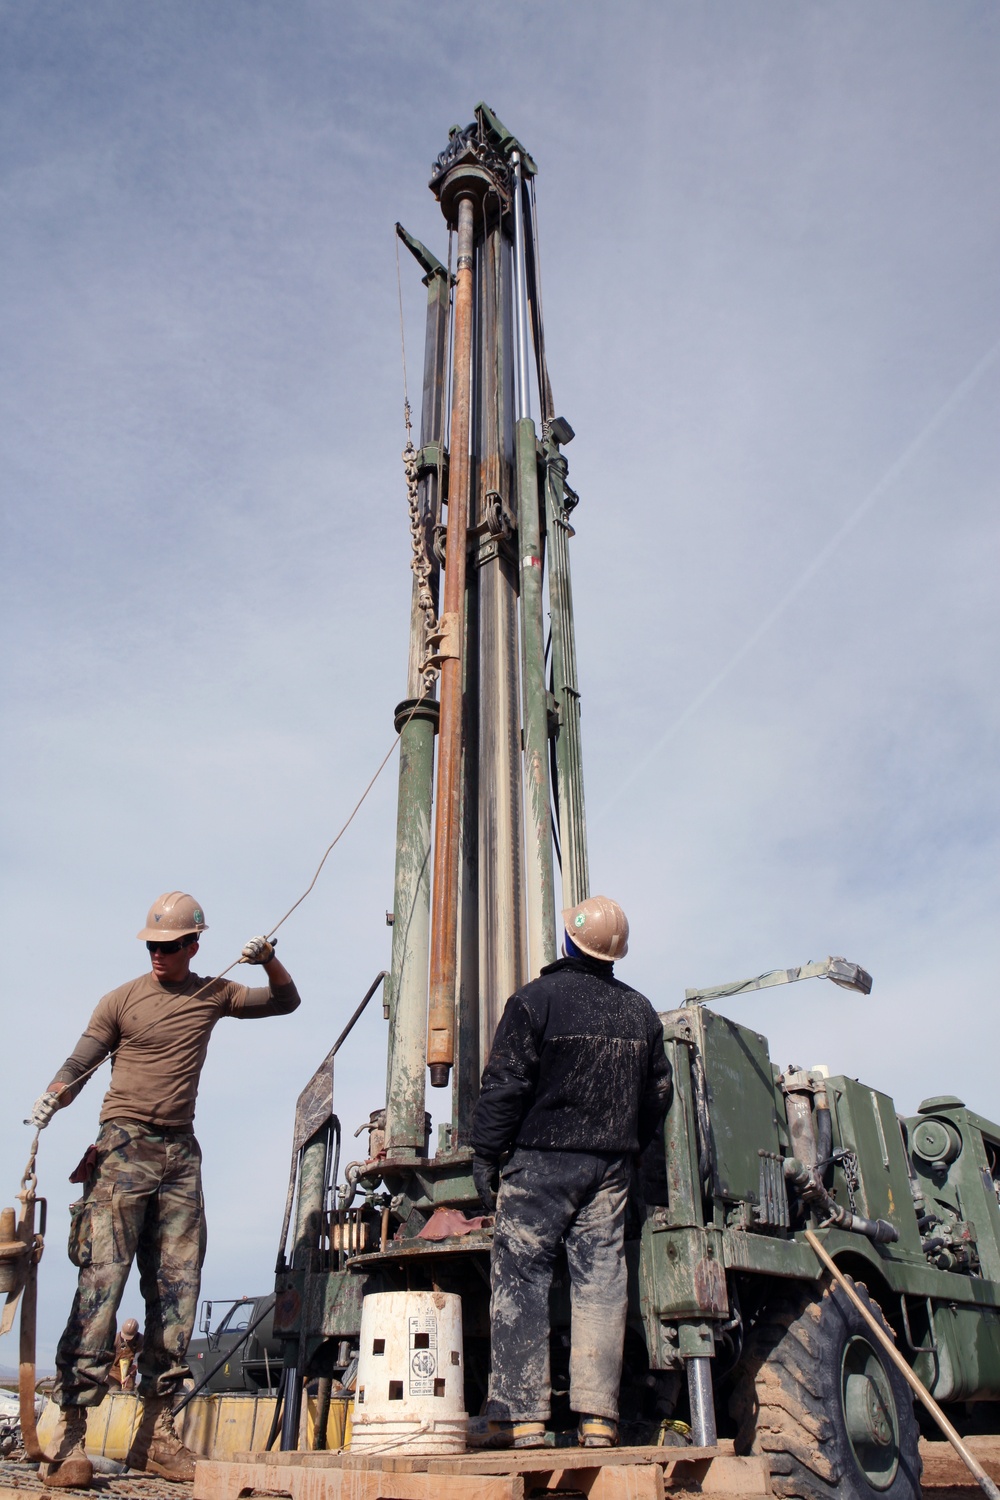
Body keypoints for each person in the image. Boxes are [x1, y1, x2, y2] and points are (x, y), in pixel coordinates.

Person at [26, 892, 301, 1489]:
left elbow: (286, 1002)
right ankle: (69, 1432)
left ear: (193, 946)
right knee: (103, 1281)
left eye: (170, 946)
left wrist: (268, 961)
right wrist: (55, 1092)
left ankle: (155, 1433)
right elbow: (82, 1059)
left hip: (180, 1154)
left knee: (178, 1288)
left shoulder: (214, 993)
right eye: (152, 945)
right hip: (123, 1147)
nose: (159, 954)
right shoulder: (120, 1001)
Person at [470, 895, 672, 1451]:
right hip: (611, 1168)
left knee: (521, 1278)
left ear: (568, 941)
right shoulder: (640, 1011)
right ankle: (599, 1421)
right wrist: (636, 1159)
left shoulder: (536, 1000)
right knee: (602, 1283)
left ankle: (524, 1418)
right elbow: (658, 1095)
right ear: (616, 953)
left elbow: (506, 1085)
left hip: (540, 1163)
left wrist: (486, 1154)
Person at [108, 1318, 142, 1391]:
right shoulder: (115, 1339)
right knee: (113, 1393)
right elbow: (107, 1358)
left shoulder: (141, 1340)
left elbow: (137, 1360)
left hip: (130, 1372)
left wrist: (129, 1375)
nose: (126, 1340)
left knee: (126, 1396)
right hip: (114, 1372)